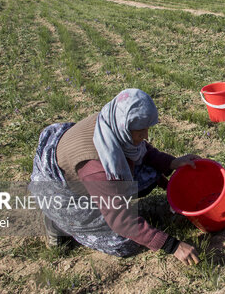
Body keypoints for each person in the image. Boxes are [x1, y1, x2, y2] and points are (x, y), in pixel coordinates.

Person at [29, 88, 201, 265]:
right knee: (125, 244)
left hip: (84, 176)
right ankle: (58, 223)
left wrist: (172, 163)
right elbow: (121, 222)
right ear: (124, 127)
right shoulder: (96, 167)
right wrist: (172, 246)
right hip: (61, 193)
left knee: (149, 172)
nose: (146, 136)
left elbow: (141, 149)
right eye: (140, 131)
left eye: (147, 129)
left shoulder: (113, 120)